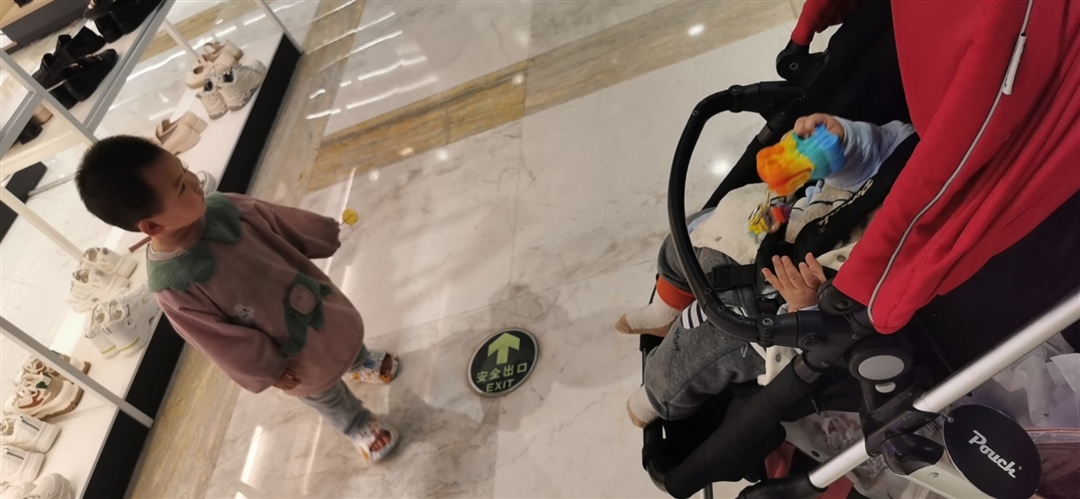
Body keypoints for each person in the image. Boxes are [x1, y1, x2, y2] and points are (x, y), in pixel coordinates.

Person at [75, 136, 400, 464]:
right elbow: (220, 341)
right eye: (181, 187)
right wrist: (268, 370)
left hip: (309, 293)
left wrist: (320, 233)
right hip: (286, 346)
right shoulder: (173, 286)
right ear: (153, 225)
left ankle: (359, 361)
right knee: (321, 389)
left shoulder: (225, 207)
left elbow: (280, 220)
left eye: (184, 169)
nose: (194, 180)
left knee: (340, 331)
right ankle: (356, 423)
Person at [619, 114, 915, 427]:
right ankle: (666, 308)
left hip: (771, 302)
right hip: (775, 225)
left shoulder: (905, 246)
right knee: (689, 233)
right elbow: (881, 156)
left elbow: (854, 315)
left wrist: (806, 307)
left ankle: (654, 395)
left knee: (697, 346)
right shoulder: (912, 160)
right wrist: (841, 142)